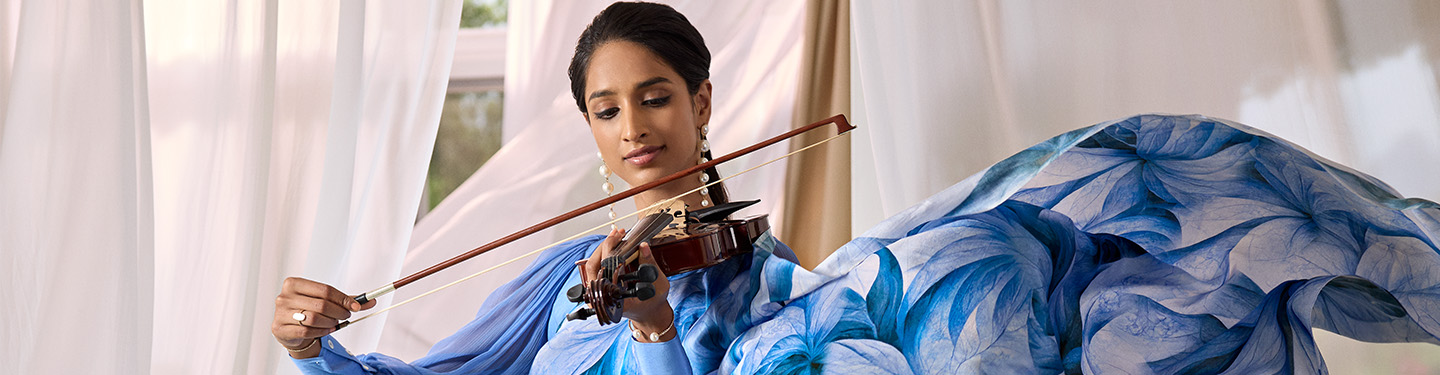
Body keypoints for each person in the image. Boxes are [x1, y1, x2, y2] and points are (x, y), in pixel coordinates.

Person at [274, 2, 1440, 374]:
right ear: (587, 128)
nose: (636, 127)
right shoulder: (552, 289)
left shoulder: (716, 228)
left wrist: (675, 298)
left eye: (657, 98)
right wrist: (317, 344)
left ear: (703, 103)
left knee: (1022, 217)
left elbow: (752, 297)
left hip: (796, 327)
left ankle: (1358, 245)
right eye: (609, 108)